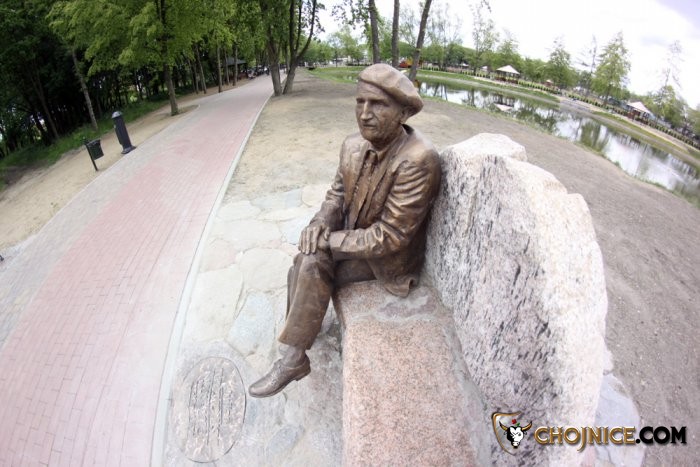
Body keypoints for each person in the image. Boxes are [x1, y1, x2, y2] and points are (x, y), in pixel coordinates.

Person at [248, 63, 441, 398]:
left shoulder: (418, 160)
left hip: (386, 260)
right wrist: (319, 224)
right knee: (305, 258)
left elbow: (390, 236)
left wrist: (329, 242)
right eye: (360, 102)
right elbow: (336, 196)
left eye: (377, 105)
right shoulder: (352, 145)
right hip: (354, 239)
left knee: (310, 262)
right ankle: (296, 340)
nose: (364, 114)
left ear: (403, 113)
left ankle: (293, 358)